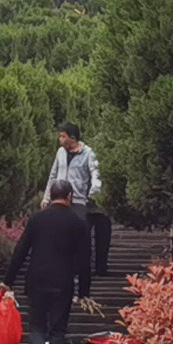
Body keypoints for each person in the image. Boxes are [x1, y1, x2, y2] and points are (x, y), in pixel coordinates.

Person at [1, 176, 93, 344]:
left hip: (36, 280)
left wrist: (8, 280)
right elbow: (84, 261)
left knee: (37, 325)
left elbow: (21, 250)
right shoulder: (79, 223)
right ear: (70, 196)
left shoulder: (37, 220)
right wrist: (84, 291)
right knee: (58, 329)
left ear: (51, 197)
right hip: (63, 281)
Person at [53, 126, 110, 297]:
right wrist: (48, 196)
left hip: (78, 200)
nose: (60, 140)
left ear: (73, 137)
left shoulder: (88, 153)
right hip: (60, 199)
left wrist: (92, 194)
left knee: (79, 239)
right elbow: (53, 174)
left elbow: (95, 174)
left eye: (63, 136)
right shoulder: (60, 153)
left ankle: (81, 277)